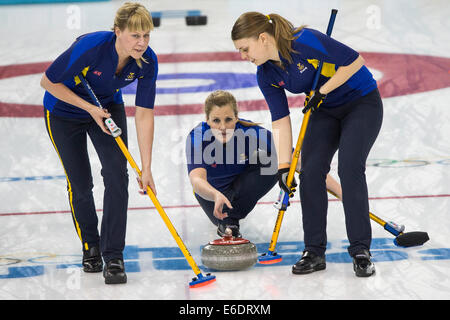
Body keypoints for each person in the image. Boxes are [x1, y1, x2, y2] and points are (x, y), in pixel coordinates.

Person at [232, 12, 383, 277]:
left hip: (361, 104)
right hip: (324, 112)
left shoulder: (302, 41)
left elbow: (355, 62)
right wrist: (283, 166)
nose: (243, 56)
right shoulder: (265, 73)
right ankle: (314, 251)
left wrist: (322, 91)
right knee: (311, 172)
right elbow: (279, 119)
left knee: (350, 168)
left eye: (245, 48)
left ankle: (361, 250)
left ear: (263, 38)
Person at [40, 2, 158, 284]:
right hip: (63, 112)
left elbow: (144, 114)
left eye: (146, 36)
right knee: (81, 184)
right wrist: (88, 109)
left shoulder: (147, 61)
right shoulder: (92, 47)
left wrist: (147, 167)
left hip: (107, 109)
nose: (141, 43)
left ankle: (114, 254)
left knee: (117, 175)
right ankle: (90, 246)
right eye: (134, 36)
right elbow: (47, 81)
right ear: (117, 31)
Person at [186, 90, 344, 240]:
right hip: (211, 196)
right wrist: (215, 195)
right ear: (207, 120)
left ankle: (230, 221)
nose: (223, 127)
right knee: (217, 202)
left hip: (240, 190)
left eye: (228, 119)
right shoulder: (198, 137)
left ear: (236, 117)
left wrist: (342, 193)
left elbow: (298, 162)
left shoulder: (250, 132)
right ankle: (227, 221)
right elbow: (197, 180)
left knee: (278, 161)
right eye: (216, 120)